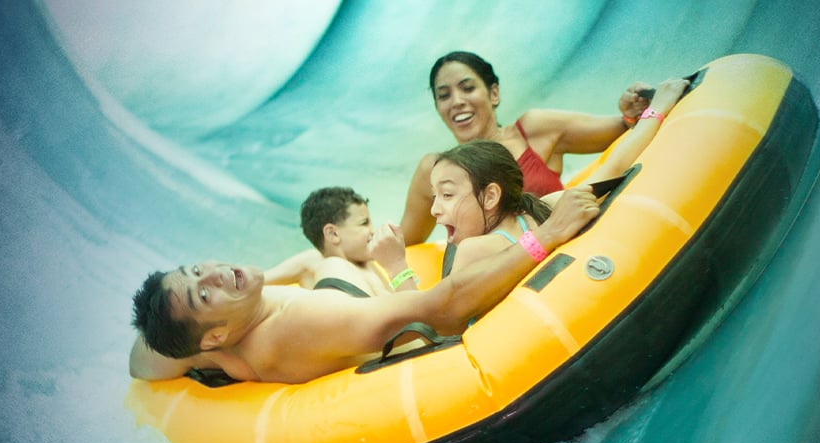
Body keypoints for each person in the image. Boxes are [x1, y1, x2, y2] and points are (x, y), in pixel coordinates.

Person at [128, 186, 601, 384]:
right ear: (214, 335)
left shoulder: (210, 342)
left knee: (314, 263)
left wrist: (197, 317)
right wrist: (548, 235)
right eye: (203, 294)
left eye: (196, 269)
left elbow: (141, 360)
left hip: (312, 311)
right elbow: (442, 308)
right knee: (487, 240)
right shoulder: (308, 317)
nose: (212, 274)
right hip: (389, 329)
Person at [432, 77, 690, 276]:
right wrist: (657, 108)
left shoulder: (470, 250)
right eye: (435, 196)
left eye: (447, 195)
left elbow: (443, 314)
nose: (434, 210)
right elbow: (615, 166)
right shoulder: (544, 209)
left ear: (490, 196)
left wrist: (406, 275)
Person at [399, 50, 658, 245]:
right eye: (444, 95)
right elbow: (407, 242)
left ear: (494, 93)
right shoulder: (433, 171)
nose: (456, 101)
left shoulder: (534, 131)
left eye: (467, 88)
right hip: (503, 286)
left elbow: (624, 127)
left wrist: (633, 110)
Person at [262, 187, 416, 296]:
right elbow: (258, 282)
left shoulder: (367, 261)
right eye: (364, 223)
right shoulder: (312, 261)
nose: (373, 231)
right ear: (333, 234)